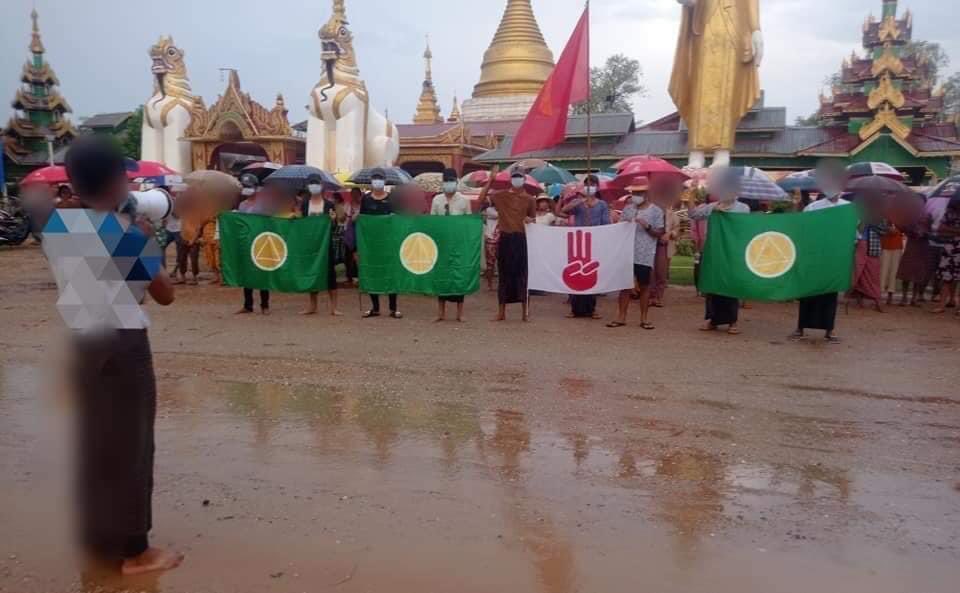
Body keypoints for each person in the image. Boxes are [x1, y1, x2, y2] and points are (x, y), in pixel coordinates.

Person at [58, 136, 182, 575]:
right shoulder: (125, 235)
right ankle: (134, 551)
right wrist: (147, 244)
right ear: (116, 180)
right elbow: (165, 295)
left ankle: (99, 538)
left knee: (98, 443)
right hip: (122, 343)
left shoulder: (60, 227)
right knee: (132, 446)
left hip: (83, 340)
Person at [792, 161, 851, 343]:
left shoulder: (848, 207)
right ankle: (801, 327)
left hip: (834, 259)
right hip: (814, 257)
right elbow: (804, 230)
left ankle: (829, 330)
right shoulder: (813, 208)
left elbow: (852, 234)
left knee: (829, 294)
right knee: (808, 293)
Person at [687, 169, 750, 335]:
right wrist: (692, 195)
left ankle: (732, 322)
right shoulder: (712, 207)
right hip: (714, 252)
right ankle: (712, 320)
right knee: (713, 286)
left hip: (733, 253)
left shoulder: (743, 208)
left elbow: (745, 229)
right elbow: (693, 214)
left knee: (730, 287)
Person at [608, 177, 666, 329]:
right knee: (625, 286)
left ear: (647, 193)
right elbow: (620, 227)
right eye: (634, 192)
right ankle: (621, 317)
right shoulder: (628, 208)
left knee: (644, 286)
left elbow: (660, 232)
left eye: (639, 192)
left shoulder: (656, 210)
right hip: (627, 252)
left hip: (644, 254)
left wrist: (647, 226)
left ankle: (644, 318)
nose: (636, 195)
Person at [480, 166, 536, 321]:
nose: (517, 179)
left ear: (524, 179)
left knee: (523, 276)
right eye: (515, 176)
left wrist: (530, 220)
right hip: (505, 238)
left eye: (519, 176)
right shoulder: (501, 195)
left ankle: (525, 312)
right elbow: (481, 199)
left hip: (522, 239)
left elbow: (533, 218)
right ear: (511, 179)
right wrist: (491, 180)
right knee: (504, 276)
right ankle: (501, 312)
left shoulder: (530, 199)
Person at [561, 175, 610, 319]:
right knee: (576, 273)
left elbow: (606, 223)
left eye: (593, 184)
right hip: (579, 241)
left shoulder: (602, 204)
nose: (591, 187)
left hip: (594, 243)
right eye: (588, 184)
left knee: (591, 273)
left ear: (597, 186)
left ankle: (591, 308)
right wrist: (580, 202)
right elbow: (564, 210)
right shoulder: (578, 202)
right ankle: (575, 308)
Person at [358, 168, 401, 318]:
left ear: (384, 181)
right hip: (371, 244)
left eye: (380, 178)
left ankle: (393, 308)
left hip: (389, 244)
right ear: (371, 181)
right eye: (375, 178)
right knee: (372, 272)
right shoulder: (366, 199)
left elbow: (399, 220)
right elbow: (362, 219)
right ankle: (375, 308)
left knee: (391, 273)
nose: (377, 181)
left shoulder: (393, 198)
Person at [430, 168, 471, 322]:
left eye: (451, 181)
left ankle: (460, 313)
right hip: (442, 243)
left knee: (458, 277)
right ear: (443, 183)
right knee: (442, 276)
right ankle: (441, 313)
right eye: (446, 181)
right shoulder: (437, 200)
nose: (449, 183)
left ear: (456, 182)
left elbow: (469, 223)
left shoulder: (464, 200)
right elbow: (432, 221)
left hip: (458, 244)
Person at [301, 179, 342, 317]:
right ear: (308, 186)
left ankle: (334, 307)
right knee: (312, 272)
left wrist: (333, 220)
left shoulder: (329, 204)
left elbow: (335, 227)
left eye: (316, 183)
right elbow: (301, 223)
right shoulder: (305, 204)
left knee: (330, 274)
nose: (314, 186)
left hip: (326, 243)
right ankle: (312, 306)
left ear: (321, 186)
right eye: (311, 183)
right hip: (310, 244)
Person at [650, 186, 681, 308]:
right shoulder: (651, 213)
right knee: (650, 272)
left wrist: (670, 234)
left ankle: (658, 297)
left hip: (665, 246)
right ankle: (650, 296)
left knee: (661, 272)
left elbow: (677, 229)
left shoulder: (673, 215)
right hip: (651, 245)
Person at [849, 215, 887, 312]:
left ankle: (877, 300)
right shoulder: (858, 214)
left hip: (873, 247)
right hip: (859, 244)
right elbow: (855, 229)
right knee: (859, 272)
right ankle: (860, 300)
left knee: (873, 274)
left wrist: (872, 223)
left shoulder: (880, 216)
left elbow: (884, 232)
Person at [931, 198, 960, 315]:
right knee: (946, 278)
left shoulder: (949, 216)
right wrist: (957, 231)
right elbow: (940, 230)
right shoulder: (949, 214)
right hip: (950, 250)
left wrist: (951, 231)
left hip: (951, 247)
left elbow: (944, 229)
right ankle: (941, 305)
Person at [880, 224, 905, 306]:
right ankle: (879, 293)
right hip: (885, 245)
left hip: (897, 245)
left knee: (894, 271)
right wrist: (887, 228)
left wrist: (896, 230)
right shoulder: (884, 214)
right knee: (883, 271)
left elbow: (905, 228)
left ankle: (890, 295)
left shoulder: (902, 216)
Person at [482, 194, 500, 291]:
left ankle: (501, 284)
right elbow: (499, 215)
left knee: (502, 263)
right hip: (491, 239)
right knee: (490, 264)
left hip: (503, 239)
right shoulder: (489, 210)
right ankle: (490, 284)